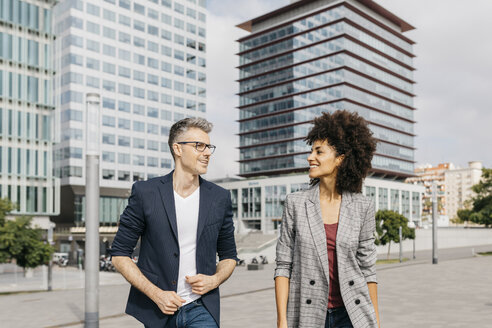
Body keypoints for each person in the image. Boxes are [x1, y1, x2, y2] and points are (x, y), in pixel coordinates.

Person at [111, 118, 238, 328]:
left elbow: (229, 256)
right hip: (157, 310)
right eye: (199, 146)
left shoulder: (219, 198)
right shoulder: (146, 193)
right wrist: (156, 294)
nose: (207, 153)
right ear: (177, 149)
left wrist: (213, 280)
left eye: (209, 147)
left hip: (201, 308)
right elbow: (119, 255)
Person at [275, 110, 380, 328]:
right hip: (308, 313)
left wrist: (375, 322)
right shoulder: (296, 203)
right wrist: (282, 320)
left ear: (340, 159)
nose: (310, 157)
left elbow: (368, 270)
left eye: (319, 152)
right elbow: (284, 265)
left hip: (352, 315)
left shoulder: (363, 206)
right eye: (311, 150)